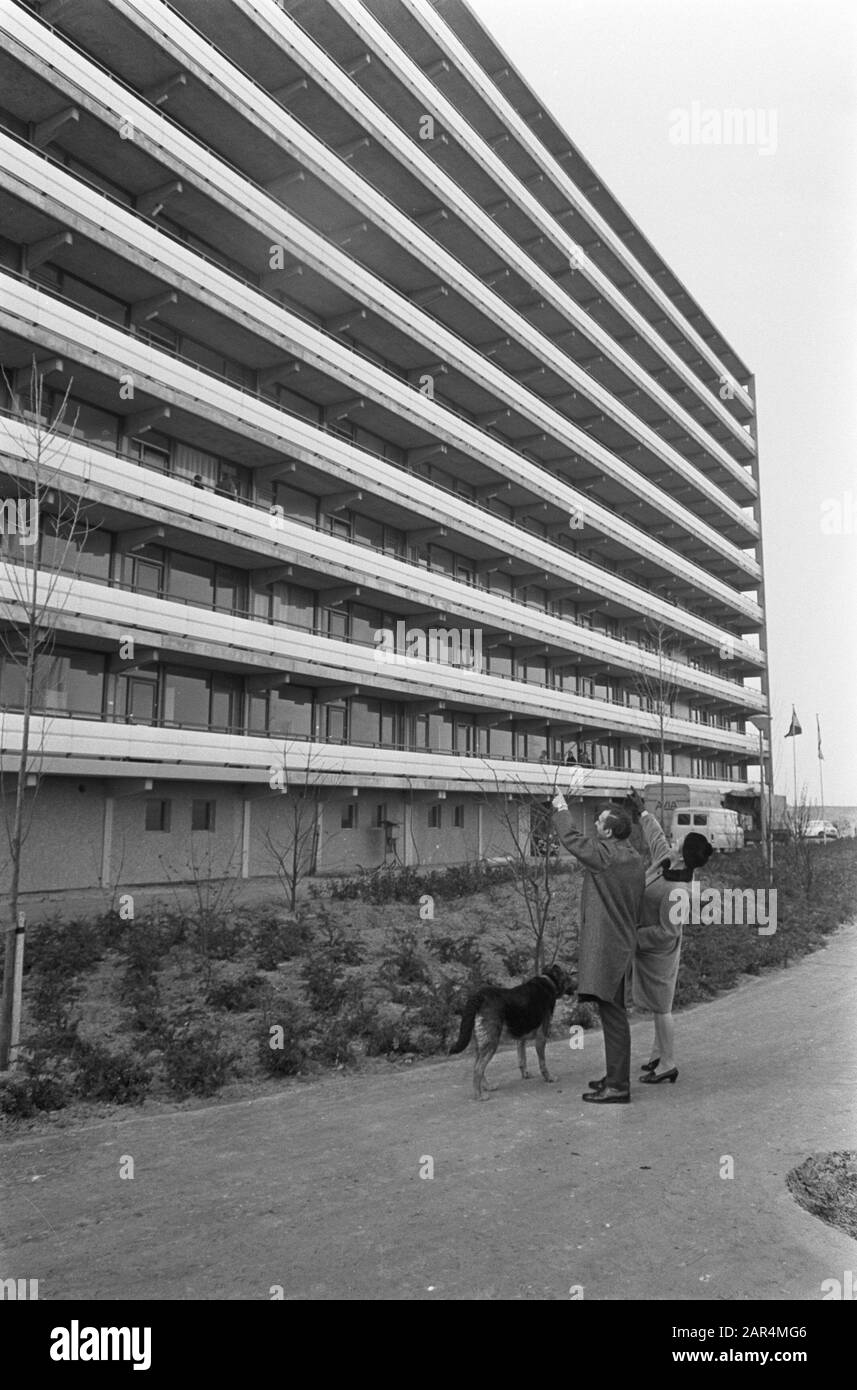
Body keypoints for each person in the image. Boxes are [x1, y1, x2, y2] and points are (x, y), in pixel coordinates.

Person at [552, 790, 645, 1104]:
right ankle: (614, 1075)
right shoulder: (631, 856)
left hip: (608, 948)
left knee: (614, 1017)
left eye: (600, 821)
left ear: (609, 830)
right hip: (621, 945)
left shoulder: (606, 855)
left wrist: (561, 808)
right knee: (613, 1015)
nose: (595, 823)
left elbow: (571, 838)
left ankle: (618, 1086)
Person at [630, 792, 714, 1086]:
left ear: (682, 853)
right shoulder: (669, 862)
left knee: (662, 1007)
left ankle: (668, 1063)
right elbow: (656, 839)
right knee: (656, 1005)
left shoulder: (677, 891)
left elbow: (668, 933)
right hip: (649, 951)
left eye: (679, 841)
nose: (673, 840)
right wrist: (643, 813)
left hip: (660, 953)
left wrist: (634, 937)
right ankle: (657, 1054)